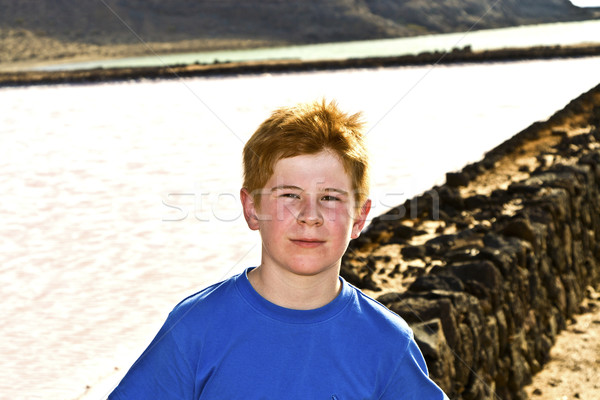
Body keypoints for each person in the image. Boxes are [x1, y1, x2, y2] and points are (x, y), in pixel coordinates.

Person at [109, 100, 449, 399]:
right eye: (289, 195)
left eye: (330, 198)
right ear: (252, 208)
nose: (309, 216)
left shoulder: (386, 342)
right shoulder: (195, 328)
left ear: (359, 217)